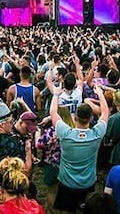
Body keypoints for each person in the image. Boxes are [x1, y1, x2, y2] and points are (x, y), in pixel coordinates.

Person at [47, 70, 108, 214]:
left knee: (66, 211)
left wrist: (55, 94)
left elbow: (53, 113)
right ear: (91, 118)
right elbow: (105, 112)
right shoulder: (96, 134)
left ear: (75, 118)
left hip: (67, 182)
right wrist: (100, 93)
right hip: (87, 183)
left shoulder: (65, 133)